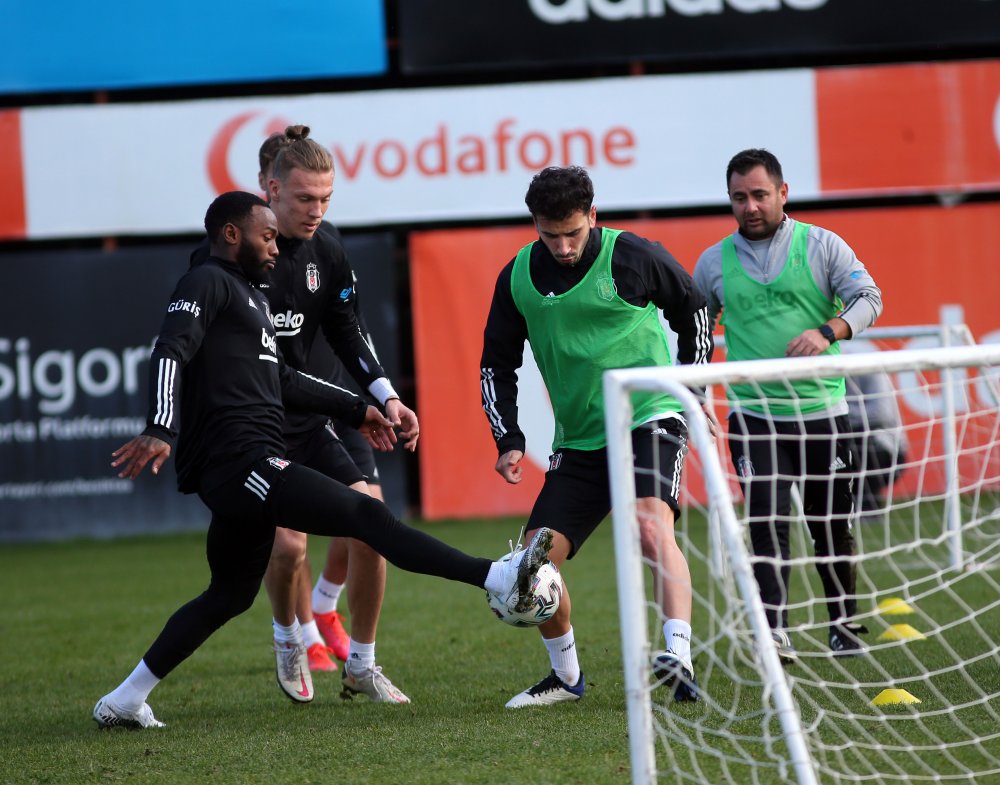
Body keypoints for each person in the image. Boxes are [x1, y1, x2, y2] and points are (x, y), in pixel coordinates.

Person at [92, 191, 554, 729]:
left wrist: (361, 409)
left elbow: (285, 380)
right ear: (232, 236)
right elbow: (170, 348)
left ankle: (125, 698)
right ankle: (496, 577)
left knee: (228, 595)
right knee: (365, 517)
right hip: (239, 461)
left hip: (248, 465)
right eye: (266, 237)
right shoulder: (207, 281)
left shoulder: (250, 297)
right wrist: (160, 425)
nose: (274, 247)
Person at [192, 126, 416, 703]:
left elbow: (347, 330)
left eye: (325, 200)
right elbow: (258, 369)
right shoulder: (228, 256)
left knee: (372, 523)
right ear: (270, 188)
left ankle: (362, 663)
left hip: (315, 413)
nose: (316, 211)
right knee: (288, 548)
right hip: (255, 422)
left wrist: (386, 396)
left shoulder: (329, 251)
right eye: (304, 199)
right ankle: (290, 635)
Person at [480, 166, 714, 708]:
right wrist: (507, 437)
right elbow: (496, 363)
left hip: (650, 413)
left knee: (650, 529)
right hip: (580, 439)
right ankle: (566, 678)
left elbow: (694, 308)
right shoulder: (516, 276)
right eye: (549, 234)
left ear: (592, 215)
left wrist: (692, 390)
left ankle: (677, 656)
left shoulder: (632, 255)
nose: (562, 247)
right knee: (530, 571)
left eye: (572, 232)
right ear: (534, 225)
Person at [692, 148, 884, 662]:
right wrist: (699, 397)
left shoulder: (822, 246)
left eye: (759, 194)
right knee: (767, 521)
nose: (750, 206)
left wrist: (830, 330)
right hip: (754, 417)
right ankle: (773, 629)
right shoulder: (713, 263)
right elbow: (694, 335)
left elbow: (869, 298)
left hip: (824, 413)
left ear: (783, 193)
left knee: (828, 522)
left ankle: (842, 622)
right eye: (739, 197)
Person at [841, 343, 909, 514]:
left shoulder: (865, 362)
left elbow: (881, 413)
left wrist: (838, 413)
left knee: (857, 438)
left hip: (887, 449)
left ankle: (868, 506)